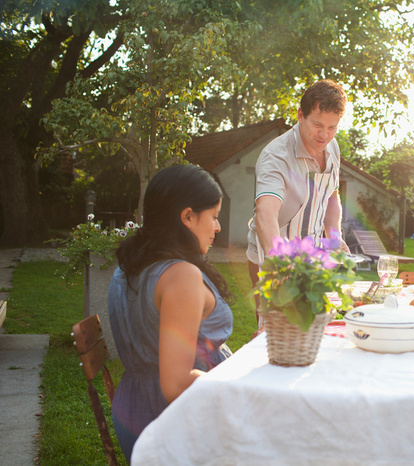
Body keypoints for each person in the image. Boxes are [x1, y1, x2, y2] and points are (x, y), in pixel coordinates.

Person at [108, 164, 234, 462]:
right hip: (173, 422)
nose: (217, 227)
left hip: (136, 408)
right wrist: (239, 381)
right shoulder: (181, 276)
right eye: (214, 217)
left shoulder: (128, 267)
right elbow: (176, 384)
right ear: (187, 217)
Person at [246, 79, 350, 292]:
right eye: (317, 125)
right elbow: (265, 214)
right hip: (274, 252)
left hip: (313, 253)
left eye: (332, 127)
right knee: (276, 325)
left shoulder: (333, 148)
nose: (324, 135)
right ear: (301, 116)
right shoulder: (276, 156)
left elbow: (331, 196)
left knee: (318, 321)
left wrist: (334, 237)